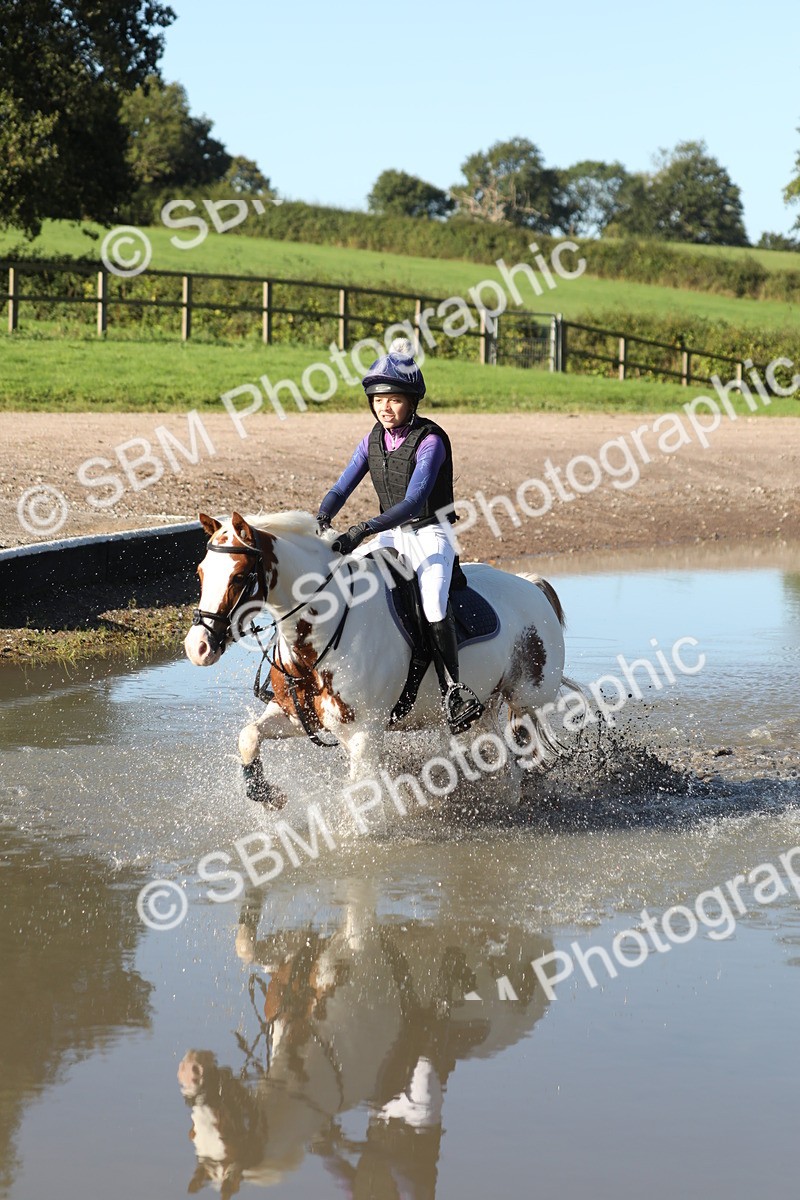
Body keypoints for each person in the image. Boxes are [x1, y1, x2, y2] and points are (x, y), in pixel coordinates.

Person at [316, 337, 484, 734]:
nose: (384, 408)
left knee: (433, 606)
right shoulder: (371, 439)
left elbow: (414, 501)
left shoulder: (431, 440)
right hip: (391, 537)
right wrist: (322, 516)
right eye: (378, 400)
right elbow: (342, 487)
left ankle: (453, 691)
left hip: (430, 534)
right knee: (352, 585)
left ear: (411, 401)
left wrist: (361, 529)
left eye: (393, 400)